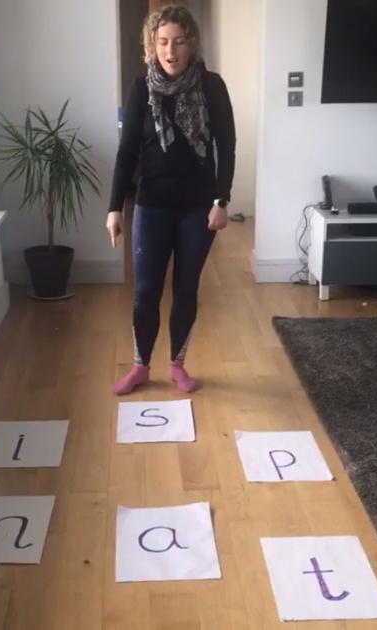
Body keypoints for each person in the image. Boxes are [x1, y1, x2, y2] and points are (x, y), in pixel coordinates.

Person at [106, 5, 236, 395]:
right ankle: (140, 367)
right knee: (146, 291)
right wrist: (114, 207)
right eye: (162, 42)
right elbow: (127, 152)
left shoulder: (212, 86)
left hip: (198, 207)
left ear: (191, 43)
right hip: (152, 206)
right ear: (152, 45)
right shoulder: (141, 89)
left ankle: (177, 366)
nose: (170, 51)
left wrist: (222, 200)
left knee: (185, 289)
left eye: (178, 42)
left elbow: (226, 146)